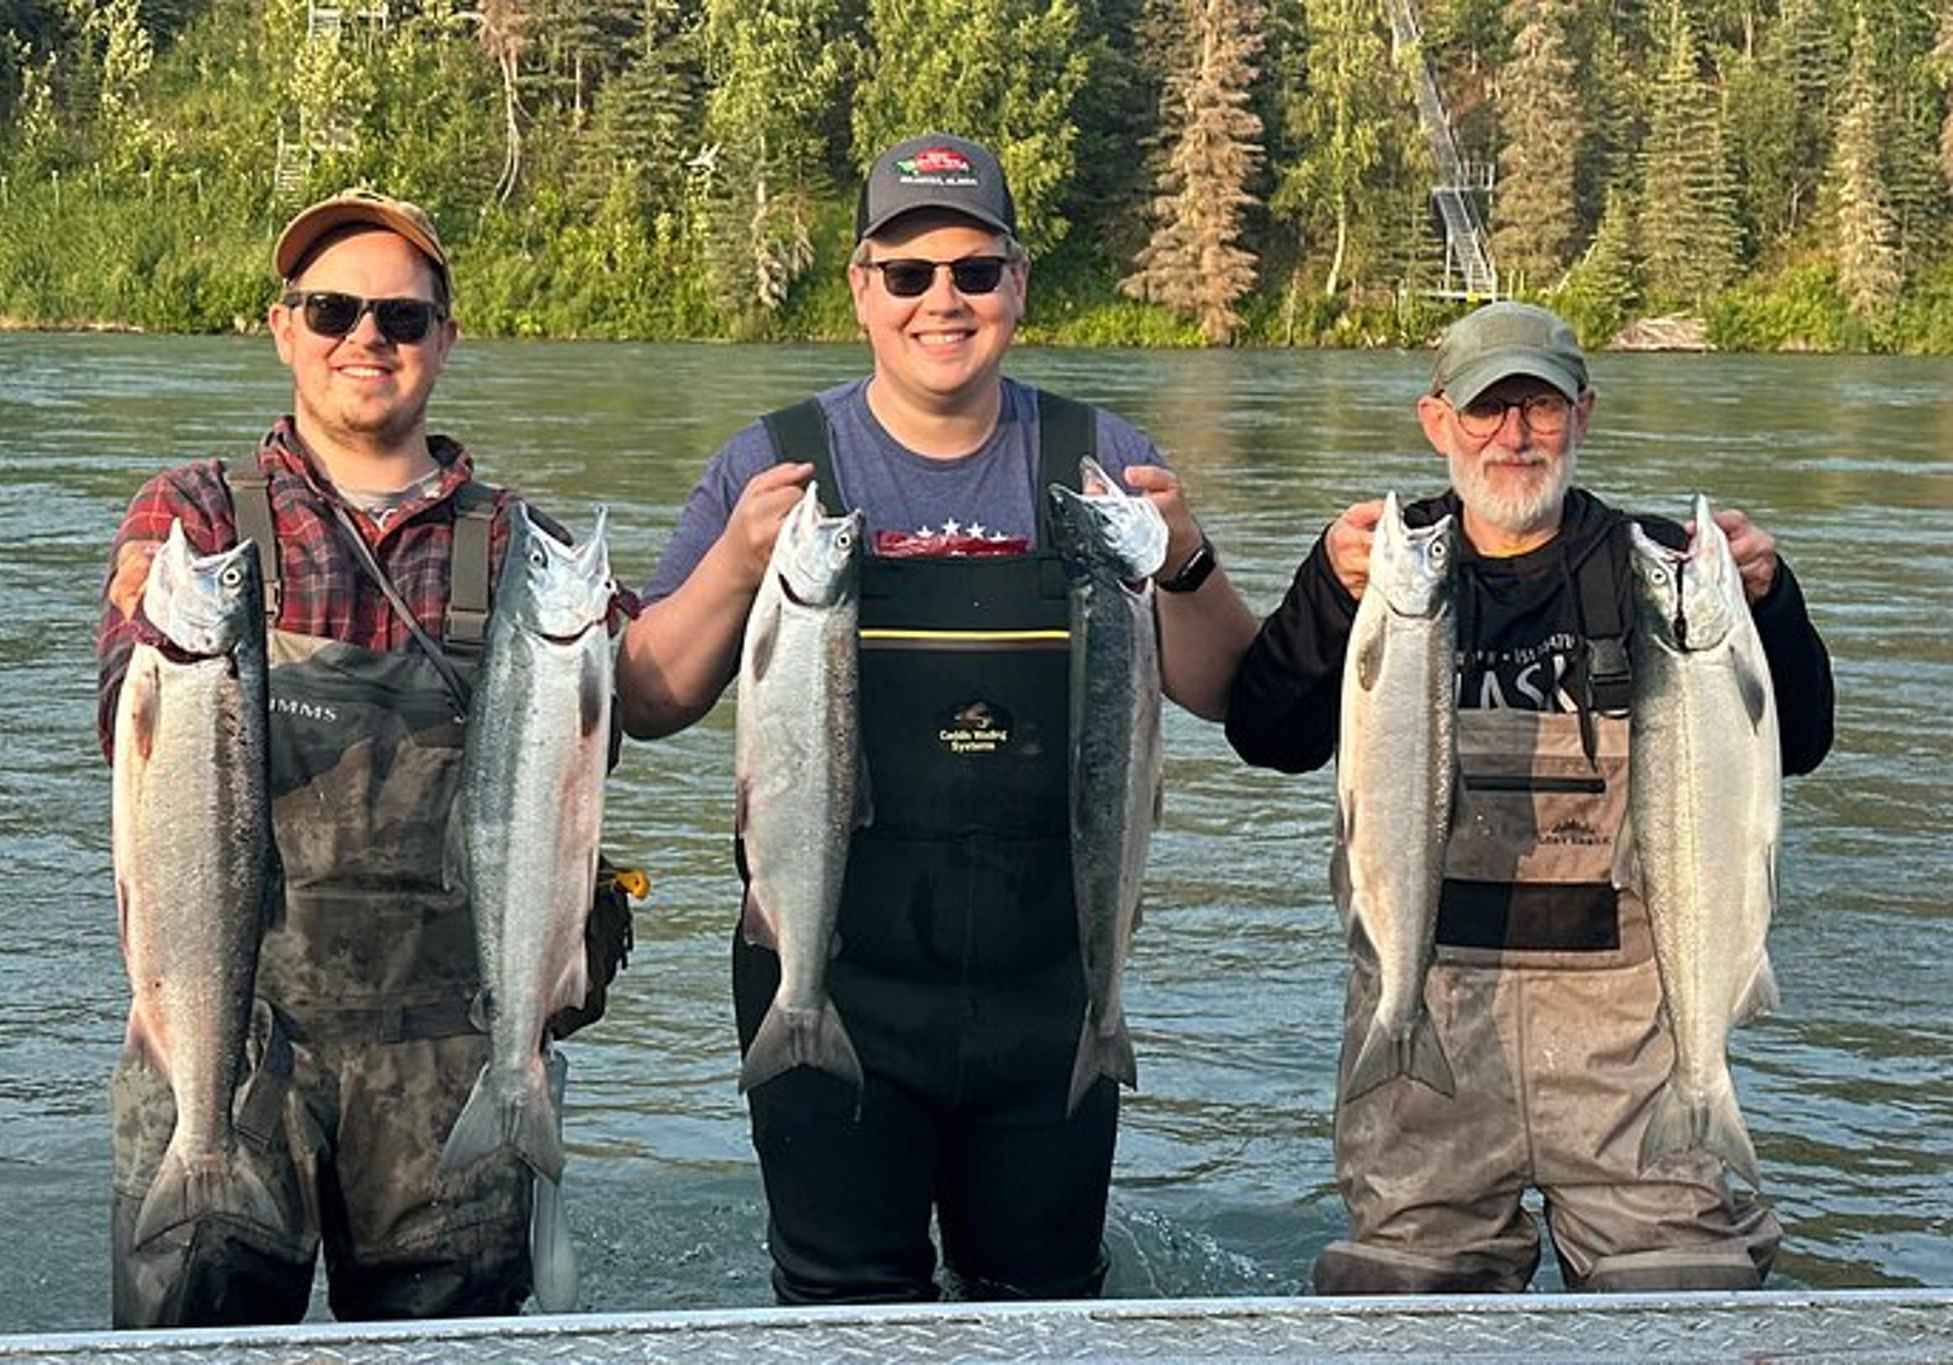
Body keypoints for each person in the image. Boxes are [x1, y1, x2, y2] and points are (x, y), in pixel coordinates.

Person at [618, 132, 1258, 1304]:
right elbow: (652, 700)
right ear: (860, 290)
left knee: (1042, 1315)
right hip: (825, 972)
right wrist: (732, 566)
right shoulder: (771, 464)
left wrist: (1185, 560)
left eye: (973, 270)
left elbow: (1223, 690)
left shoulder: (1103, 462)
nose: (941, 300)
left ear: (1018, 284)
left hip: (1052, 993)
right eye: (908, 273)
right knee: (839, 1316)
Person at [1225, 301, 1835, 1294]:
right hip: (1428, 1038)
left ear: (1581, 416)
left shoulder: (1656, 570)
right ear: (1436, 421)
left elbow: (1797, 744)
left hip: (1628, 1063)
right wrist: (1326, 598)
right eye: (1485, 409)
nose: (1513, 436)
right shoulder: (1383, 568)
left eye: (1540, 408)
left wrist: (1771, 605)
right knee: (1403, 1304)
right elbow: (1268, 735)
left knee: (1680, 1301)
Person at [95, 188, 625, 1326]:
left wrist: (747, 572)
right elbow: (122, 725)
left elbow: (621, 717)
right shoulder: (195, 518)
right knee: (190, 1334)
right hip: (228, 1036)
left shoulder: (521, 545)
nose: (365, 338)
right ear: (283, 327)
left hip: (452, 1059)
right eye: (332, 310)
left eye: (401, 316)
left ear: (445, 338)